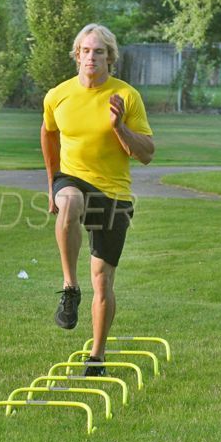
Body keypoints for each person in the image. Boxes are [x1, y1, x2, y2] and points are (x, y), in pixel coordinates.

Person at [40, 23, 154, 376]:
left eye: (99, 51)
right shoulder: (57, 95)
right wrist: (51, 183)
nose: (92, 57)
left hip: (114, 193)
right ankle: (69, 288)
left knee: (103, 280)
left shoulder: (126, 96)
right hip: (72, 178)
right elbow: (48, 133)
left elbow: (147, 153)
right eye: (86, 51)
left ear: (110, 58)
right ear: (77, 55)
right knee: (69, 202)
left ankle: (97, 356)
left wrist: (120, 127)